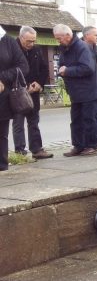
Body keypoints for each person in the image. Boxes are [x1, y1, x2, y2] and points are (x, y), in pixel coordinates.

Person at [54, 24, 97, 157]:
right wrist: (61, 69)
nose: (58, 41)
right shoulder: (64, 48)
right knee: (76, 120)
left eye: (59, 38)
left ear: (67, 35)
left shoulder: (82, 47)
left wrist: (67, 71)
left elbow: (88, 68)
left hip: (89, 90)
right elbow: (62, 64)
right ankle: (78, 145)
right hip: (76, 91)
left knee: (89, 119)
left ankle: (91, 145)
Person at [12, 26, 53, 159]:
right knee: (18, 122)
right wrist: (23, 86)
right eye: (29, 41)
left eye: (34, 41)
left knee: (34, 121)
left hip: (33, 92)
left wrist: (39, 83)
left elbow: (44, 69)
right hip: (17, 93)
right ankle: (20, 152)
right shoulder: (11, 49)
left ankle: (37, 150)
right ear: (21, 37)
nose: (31, 44)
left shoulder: (36, 50)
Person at [0, 25, 29, 171]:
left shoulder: (8, 41)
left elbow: (23, 67)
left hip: (2, 96)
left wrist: (2, 78)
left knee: (1, 135)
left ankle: (1, 166)